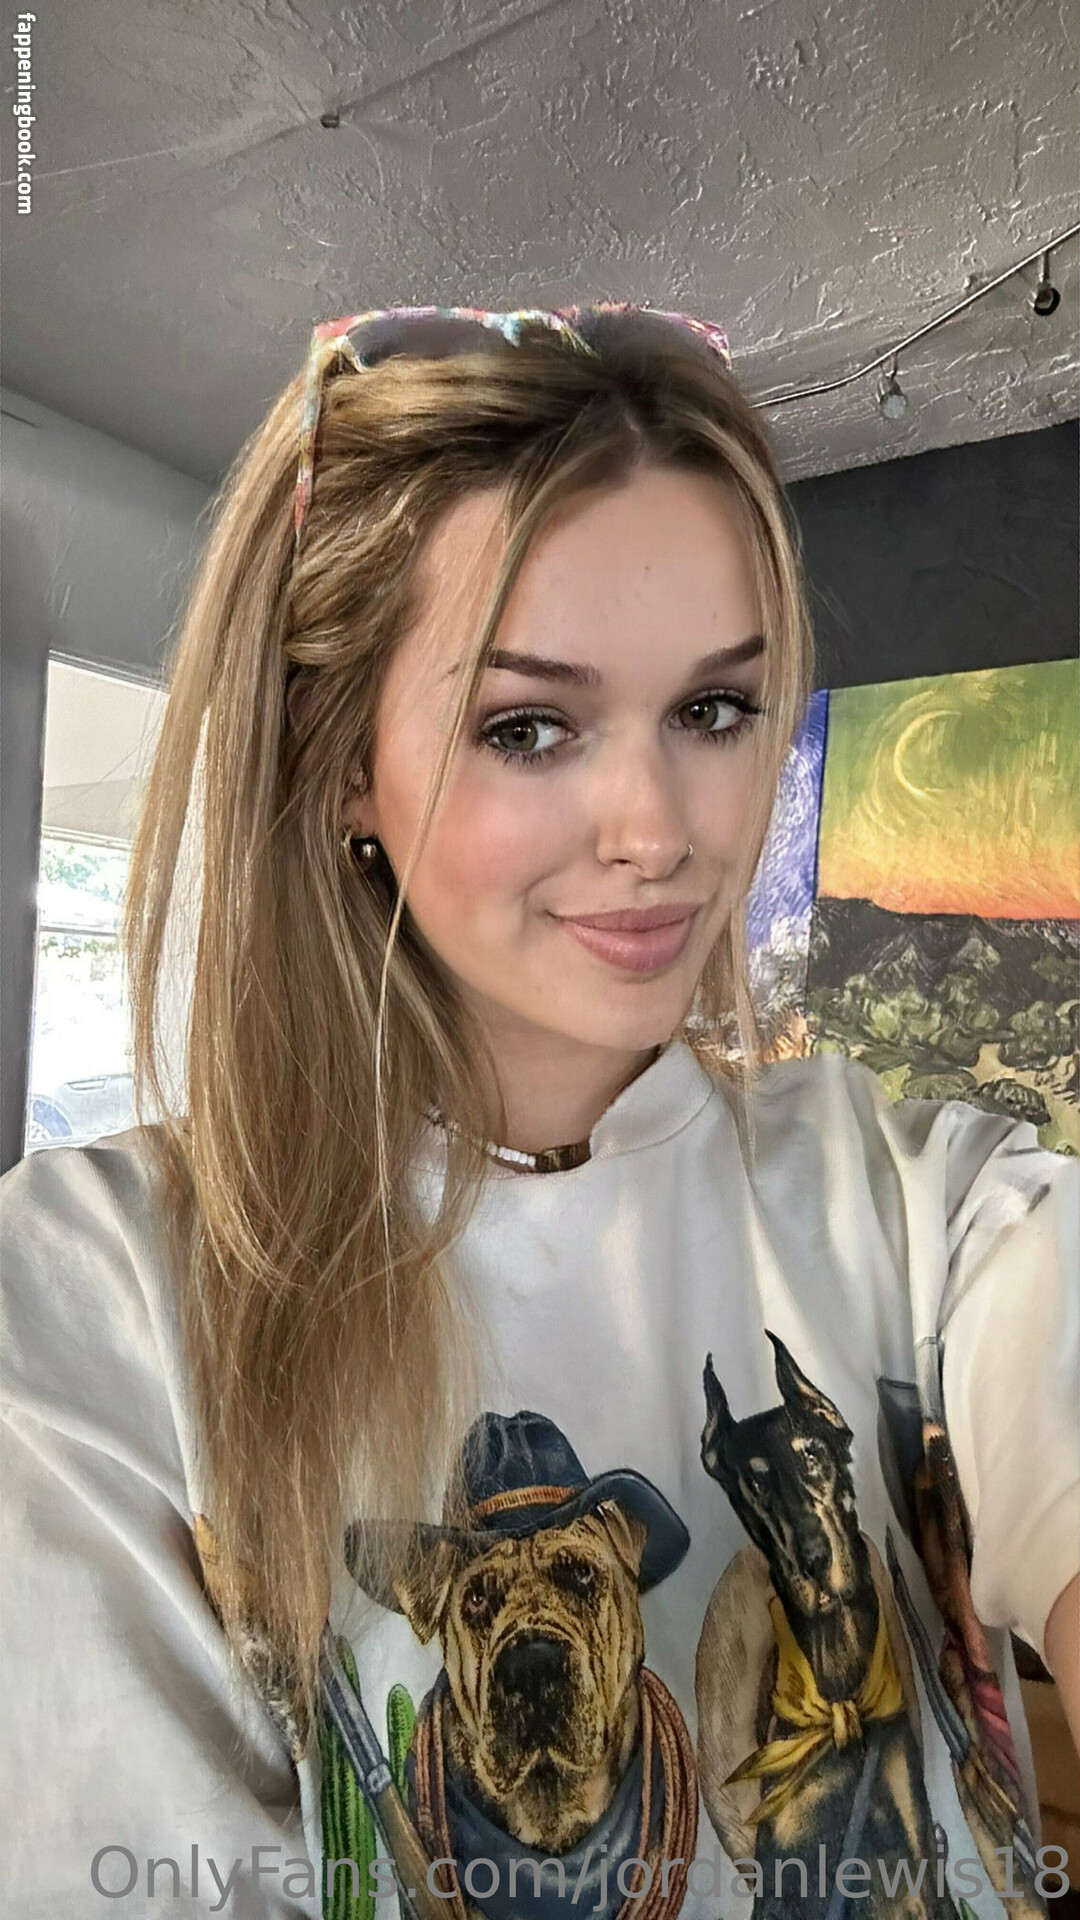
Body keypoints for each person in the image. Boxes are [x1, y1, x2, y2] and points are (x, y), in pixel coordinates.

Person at [2, 304, 1076, 1920]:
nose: (657, 829)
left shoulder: (928, 1203)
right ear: (340, 761)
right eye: (528, 727)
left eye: (714, 710)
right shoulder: (99, 1294)